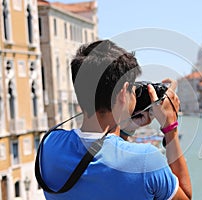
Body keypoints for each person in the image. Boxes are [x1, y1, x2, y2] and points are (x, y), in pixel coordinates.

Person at [36, 40, 192, 199]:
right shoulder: (146, 161)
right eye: (133, 88)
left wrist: (126, 128)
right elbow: (185, 196)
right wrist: (170, 128)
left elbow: (102, 154)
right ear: (123, 93)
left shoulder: (49, 146)